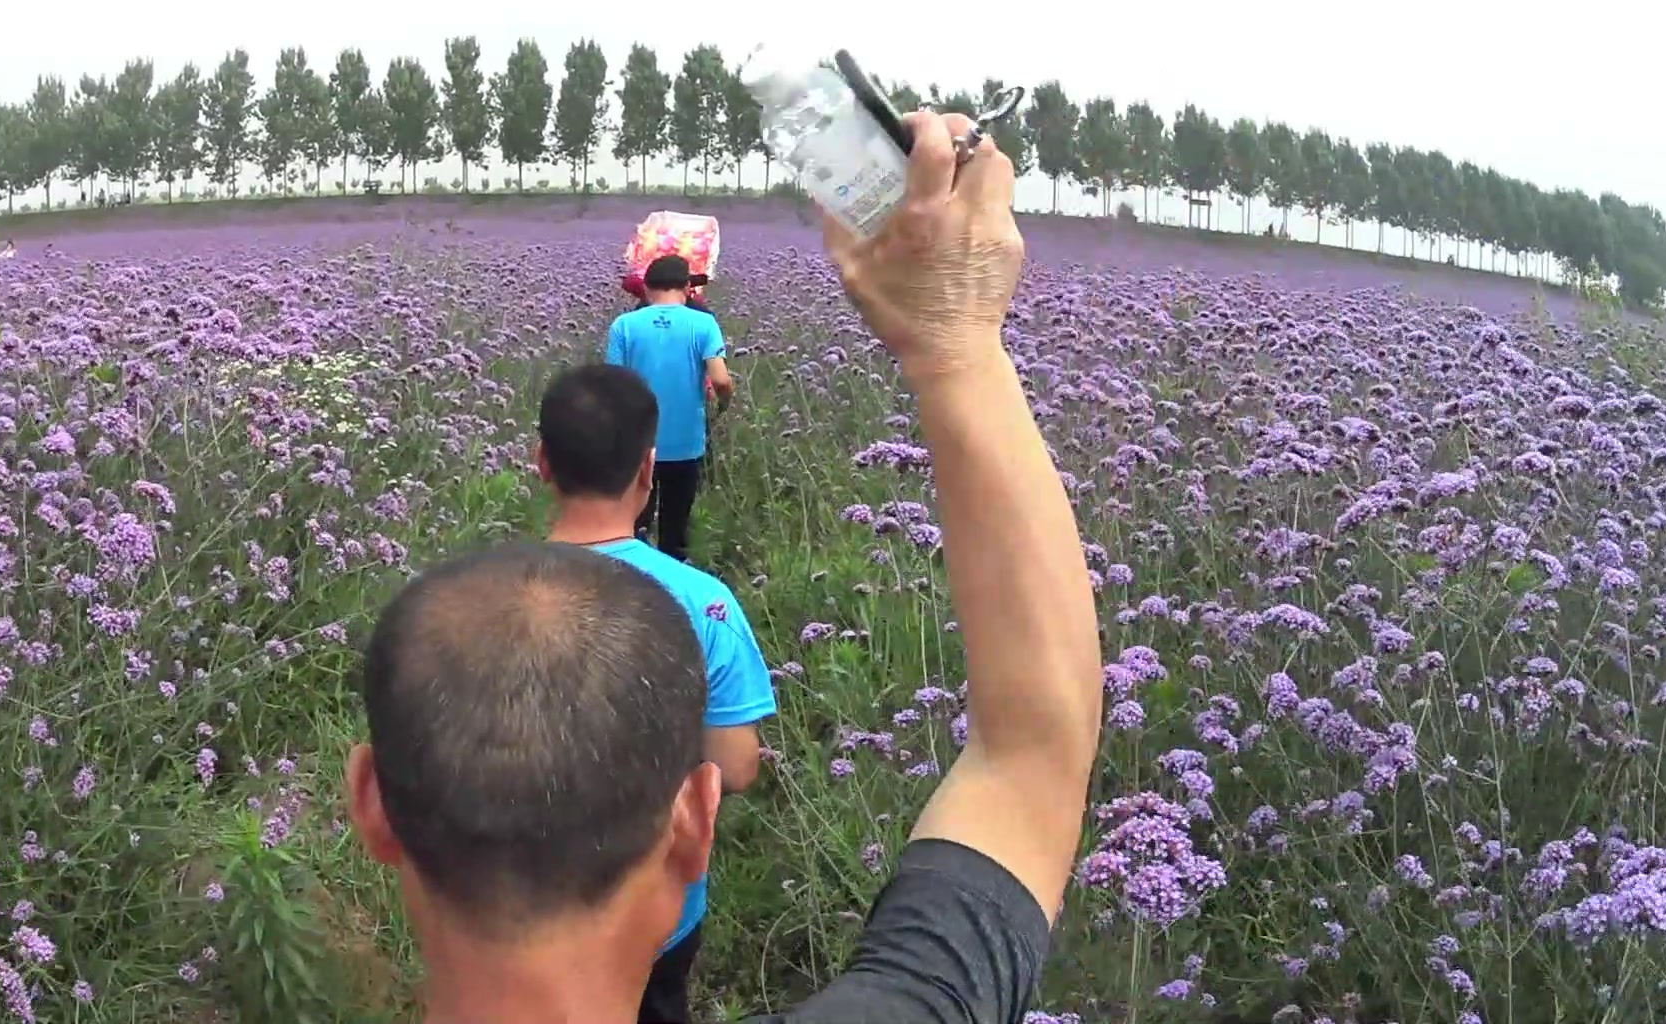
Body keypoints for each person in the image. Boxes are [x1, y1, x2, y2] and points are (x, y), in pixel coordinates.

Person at [345, 111, 1105, 1023]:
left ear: (374, 802)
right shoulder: (706, 599)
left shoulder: (623, 336)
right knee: (681, 524)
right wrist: (956, 344)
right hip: (685, 458)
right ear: (691, 824)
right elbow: (1032, 758)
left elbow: (1032, 763)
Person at [534, 362, 777, 1023]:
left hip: (514, 914)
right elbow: (735, 767)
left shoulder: (477, 600)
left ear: (541, 464)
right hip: (656, 910)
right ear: (648, 468)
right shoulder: (706, 605)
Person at [604, 254, 734, 562]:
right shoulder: (703, 324)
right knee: (676, 529)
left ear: (646, 289)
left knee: (634, 526)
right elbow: (722, 381)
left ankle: (634, 585)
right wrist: (722, 406)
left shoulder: (624, 325)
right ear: (688, 288)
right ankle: (672, 587)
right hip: (686, 444)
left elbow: (612, 383)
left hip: (637, 445)